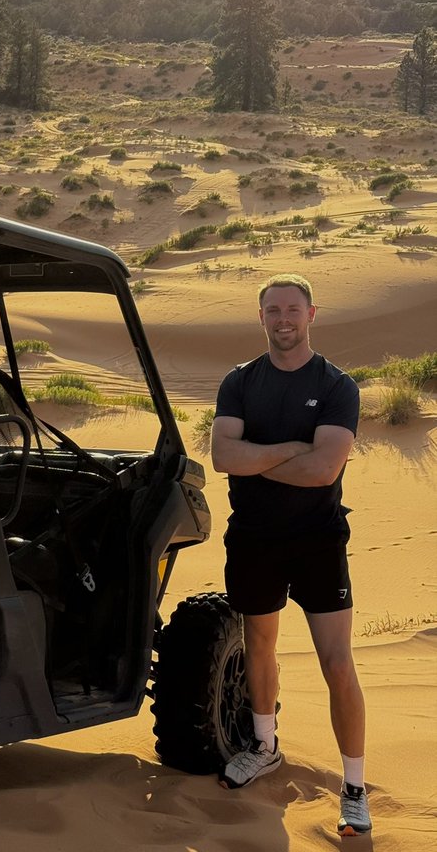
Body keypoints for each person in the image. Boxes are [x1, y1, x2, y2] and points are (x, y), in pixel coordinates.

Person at [210, 273, 371, 838]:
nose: (283, 319)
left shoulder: (336, 387)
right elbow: (222, 456)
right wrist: (289, 451)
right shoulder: (239, 383)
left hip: (318, 539)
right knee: (259, 643)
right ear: (261, 318)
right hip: (253, 536)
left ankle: (353, 787)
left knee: (337, 663)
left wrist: (254, 457)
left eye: (292, 309)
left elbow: (324, 469)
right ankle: (265, 746)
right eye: (273, 310)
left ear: (311, 314)